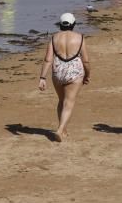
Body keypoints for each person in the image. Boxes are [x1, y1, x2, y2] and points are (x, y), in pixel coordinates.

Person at [37, 13, 90, 142]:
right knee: (69, 102)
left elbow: (48, 59)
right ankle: (60, 129)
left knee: (61, 100)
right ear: (73, 24)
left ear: (61, 24)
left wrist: (42, 78)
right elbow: (86, 61)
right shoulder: (80, 38)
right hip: (74, 71)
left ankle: (64, 129)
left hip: (58, 71)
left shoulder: (54, 38)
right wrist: (88, 74)